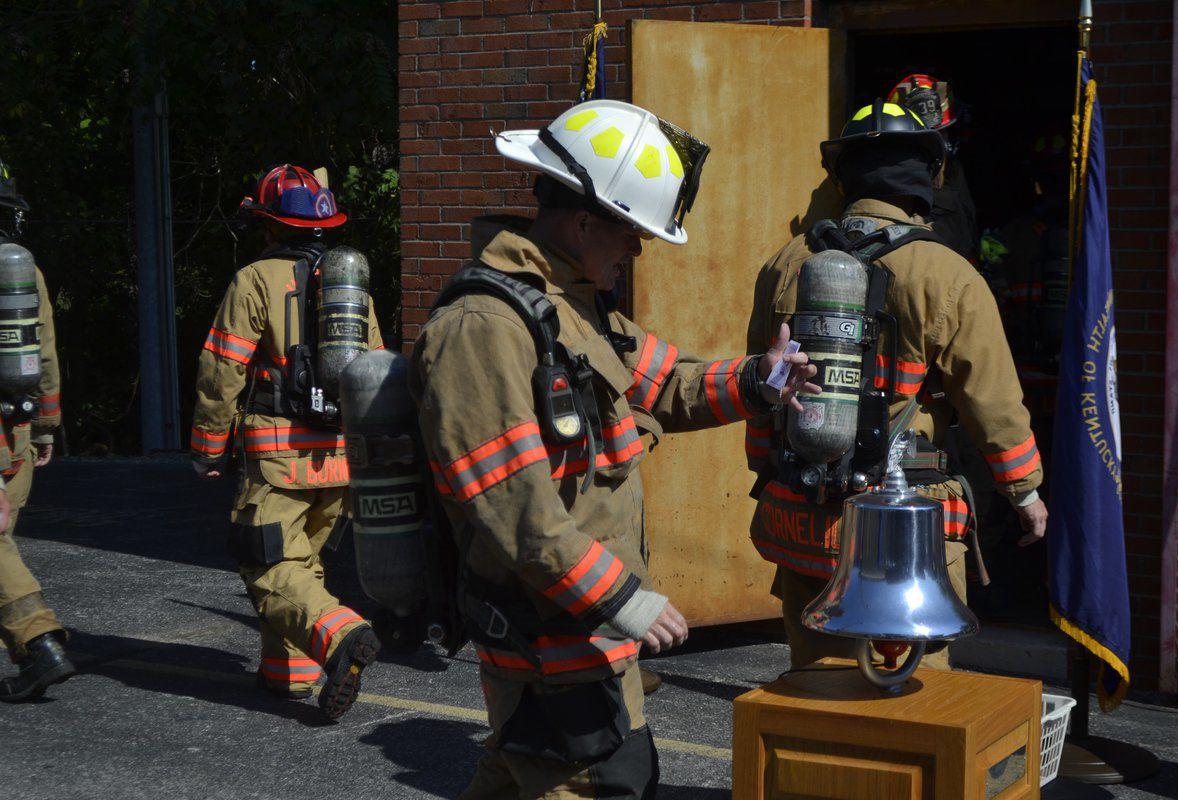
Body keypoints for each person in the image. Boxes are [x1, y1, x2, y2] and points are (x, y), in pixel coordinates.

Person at [409, 99, 817, 799]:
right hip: (551, 641)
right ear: (583, 222)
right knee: (601, 779)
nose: (637, 250)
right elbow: (514, 510)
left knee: (545, 775)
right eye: (630, 234)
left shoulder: (572, 306)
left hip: (589, 637)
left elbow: (664, 384)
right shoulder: (483, 328)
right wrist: (624, 599)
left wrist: (760, 381)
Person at [745, 101, 1049, 671]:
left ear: (844, 176)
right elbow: (995, 405)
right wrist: (1024, 494)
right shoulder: (949, 274)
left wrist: (767, 466)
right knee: (909, 704)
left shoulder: (784, 264)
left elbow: (761, 388)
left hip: (803, 518)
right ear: (926, 181)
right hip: (905, 528)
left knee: (814, 694)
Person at [190, 164, 384, 719]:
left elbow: (221, 368)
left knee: (267, 565)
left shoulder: (254, 278)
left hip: (279, 456)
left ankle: (341, 635)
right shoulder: (354, 290)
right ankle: (287, 675)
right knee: (304, 563)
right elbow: (373, 369)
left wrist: (208, 446)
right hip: (340, 458)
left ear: (268, 224)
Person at [0, 158, 73, 702]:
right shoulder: (23, 270)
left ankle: (38, 641)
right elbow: (43, 355)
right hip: (15, 434)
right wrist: (45, 427)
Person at [888, 73, 978, 261]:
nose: (939, 146)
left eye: (942, 134)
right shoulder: (890, 191)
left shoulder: (955, 173)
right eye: (925, 140)